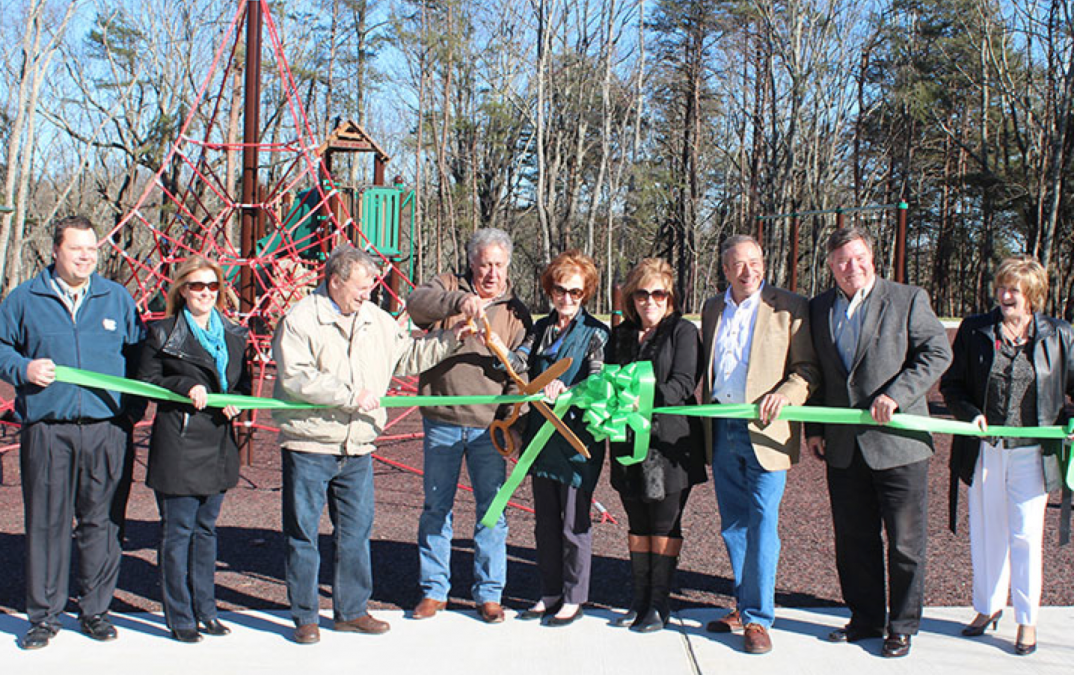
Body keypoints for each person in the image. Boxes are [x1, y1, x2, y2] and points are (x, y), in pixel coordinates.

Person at [272, 245, 467, 644]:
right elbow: (296, 377)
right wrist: (350, 394)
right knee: (303, 534)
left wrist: (450, 339)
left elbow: (407, 356)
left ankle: (351, 611)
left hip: (358, 445)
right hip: (310, 442)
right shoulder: (301, 319)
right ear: (335, 281)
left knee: (356, 533)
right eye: (361, 287)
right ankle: (305, 616)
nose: (368, 294)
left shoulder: (376, 321)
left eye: (371, 287)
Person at [805, 227, 951, 658]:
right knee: (854, 539)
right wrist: (814, 429)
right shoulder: (818, 309)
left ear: (872, 256)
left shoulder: (908, 298)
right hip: (844, 448)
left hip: (899, 444)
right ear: (830, 266)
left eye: (858, 257)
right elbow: (816, 368)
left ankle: (902, 625)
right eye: (842, 261)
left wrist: (898, 395)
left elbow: (937, 352)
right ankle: (865, 617)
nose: (852, 267)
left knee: (905, 543)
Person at [0, 216, 145, 650]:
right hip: (49, 430)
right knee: (47, 524)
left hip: (105, 431)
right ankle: (44, 616)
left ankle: (96, 610)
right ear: (56, 251)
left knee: (102, 523)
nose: (86, 256)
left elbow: (139, 359)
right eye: (77, 248)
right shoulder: (25, 298)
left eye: (92, 249)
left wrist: (129, 414)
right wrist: (21, 368)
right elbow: (1, 346)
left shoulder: (116, 299)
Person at [940, 256, 1073, 656]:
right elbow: (953, 385)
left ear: (1032, 293)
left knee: (1026, 536)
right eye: (1001, 287)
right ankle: (987, 607)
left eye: (1014, 289)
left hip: (1032, 453)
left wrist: (1069, 420)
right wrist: (972, 414)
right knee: (986, 531)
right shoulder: (976, 330)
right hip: (985, 449)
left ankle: (1027, 621)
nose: (1005, 295)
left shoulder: (1059, 334)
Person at [699, 235, 819, 654]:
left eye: (754, 262)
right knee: (733, 524)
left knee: (763, 520)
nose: (747, 271)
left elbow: (806, 369)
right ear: (725, 269)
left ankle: (757, 619)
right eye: (738, 265)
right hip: (722, 429)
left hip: (767, 433)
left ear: (764, 265)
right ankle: (743, 602)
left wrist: (786, 394)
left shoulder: (790, 306)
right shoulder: (713, 307)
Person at [406, 228, 532, 624]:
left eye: (498, 265)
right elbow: (416, 305)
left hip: (487, 427)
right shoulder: (447, 286)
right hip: (442, 420)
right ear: (472, 263)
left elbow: (519, 373)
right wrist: (460, 300)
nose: (491, 273)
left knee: (491, 511)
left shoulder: (516, 312)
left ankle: (489, 594)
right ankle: (433, 591)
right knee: (436, 509)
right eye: (484, 265)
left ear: (507, 266)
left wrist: (511, 425)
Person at [136, 256, 250, 643]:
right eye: (197, 286)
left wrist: (234, 400)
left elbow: (242, 386)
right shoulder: (162, 332)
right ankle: (179, 614)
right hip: (180, 442)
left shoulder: (235, 334)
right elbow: (146, 378)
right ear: (182, 289)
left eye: (212, 286)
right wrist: (185, 385)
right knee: (178, 531)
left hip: (218, 440)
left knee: (207, 530)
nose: (205, 293)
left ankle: (207, 608)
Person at [502, 251, 609, 627]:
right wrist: (494, 349)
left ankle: (574, 597)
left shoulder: (596, 333)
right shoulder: (540, 329)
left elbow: (598, 382)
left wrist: (570, 388)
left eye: (575, 293)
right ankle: (548, 593)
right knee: (544, 521)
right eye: (560, 290)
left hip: (577, 439)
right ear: (550, 289)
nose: (566, 299)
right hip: (540, 438)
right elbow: (518, 360)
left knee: (572, 523)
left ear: (586, 294)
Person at [607, 258, 704, 633]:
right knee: (636, 522)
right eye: (643, 294)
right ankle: (639, 598)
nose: (650, 301)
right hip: (627, 442)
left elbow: (682, 385)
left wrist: (635, 398)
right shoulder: (623, 335)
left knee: (664, 524)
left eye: (658, 294)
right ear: (632, 298)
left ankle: (659, 605)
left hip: (668, 445)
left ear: (670, 298)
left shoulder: (681, 332)